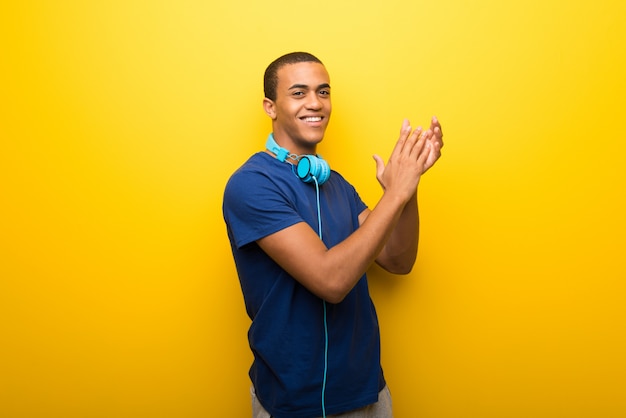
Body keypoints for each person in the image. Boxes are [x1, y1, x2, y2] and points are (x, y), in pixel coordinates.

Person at [222, 52, 443, 418]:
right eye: (299, 92)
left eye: (323, 92)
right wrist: (395, 194)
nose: (315, 103)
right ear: (270, 106)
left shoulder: (337, 186)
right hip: (296, 404)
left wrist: (410, 186)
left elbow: (398, 260)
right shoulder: (251, 184)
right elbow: (332, 280)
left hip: (370, 394)